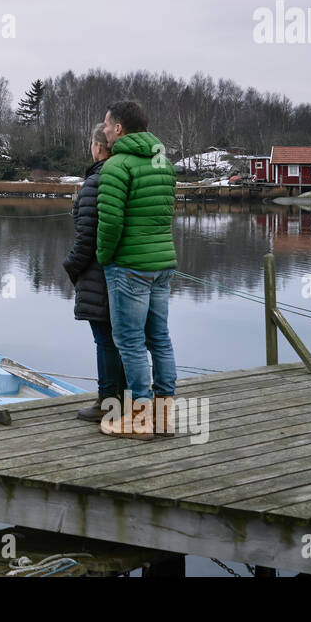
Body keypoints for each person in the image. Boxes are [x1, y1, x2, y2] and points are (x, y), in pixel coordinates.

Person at [96, 100, 178, 438]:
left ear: (118, 128)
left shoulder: (117, 165)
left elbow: (111, 221)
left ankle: (140, 417)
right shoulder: (163, 162)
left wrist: (104, 256)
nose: (102, 129)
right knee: (159, 338)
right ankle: (163, 415)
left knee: (128, 341)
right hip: (162, 265)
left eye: (106, 123)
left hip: (129, 266)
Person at [63, 124, 127, 421]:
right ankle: (124, 401)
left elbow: (86, 237)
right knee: (122, 338)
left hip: (98, 273)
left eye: (92, 143)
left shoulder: (95, 182)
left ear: (98, 147)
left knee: (104, 338)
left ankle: (107, 402)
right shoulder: (125, 176)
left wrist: (71, 267)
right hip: (127, 271)